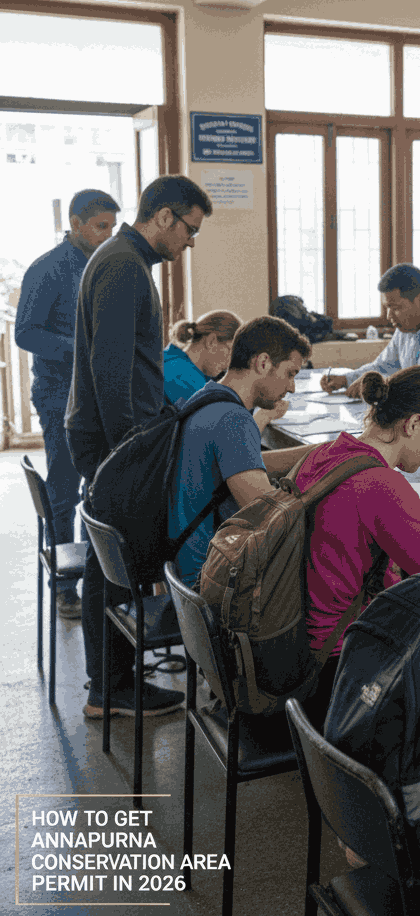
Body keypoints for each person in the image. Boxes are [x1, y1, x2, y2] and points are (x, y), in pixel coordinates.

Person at [66, 174, 212, 719]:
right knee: (114, 562)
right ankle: (110, 688)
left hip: (110, 435)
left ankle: (112, 682)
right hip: (113, 439)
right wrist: (129, 450)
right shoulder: (124, 265)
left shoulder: (122, 259)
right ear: (164, 217)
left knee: (111, 558)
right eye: (189, 229)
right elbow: (110, 368)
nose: (189, 242)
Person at [297, 365, 420, 728]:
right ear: (414, 424)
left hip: (296, 645)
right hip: (337, 668)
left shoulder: (327, 453)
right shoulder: (382, 486)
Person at [14, 188, 120, 618]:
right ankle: (63, 586)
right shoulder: (48, 269)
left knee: (98, 488)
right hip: (59, 395)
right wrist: (80, 347)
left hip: (96, 396)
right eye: (100, 226)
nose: (108, 234)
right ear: (75, 224)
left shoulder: (106, 264)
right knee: (63, 490)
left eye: (112, 227)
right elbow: (25, 333)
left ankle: (96, 578)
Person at [169, 316, 316, 589]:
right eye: (290, 373)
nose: (292, 387)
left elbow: (246, 464)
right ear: (263, 363)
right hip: (209, 580)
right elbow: (269, 518)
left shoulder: (209, 396)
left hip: (182, 567)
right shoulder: (233, 420)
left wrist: (319, 452)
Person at [319, 264, 420, 401]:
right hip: (418, 418)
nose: (389, 316)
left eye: (396, 308)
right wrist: (346, 379)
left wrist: (379, 384)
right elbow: (383, 366)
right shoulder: (406, 328)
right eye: (387, 308)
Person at [164, 310, 288, 432]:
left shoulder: (179, 363)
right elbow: (225, 436)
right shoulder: (180, 374)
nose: (230, 363)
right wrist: (265, 415)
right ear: (211, 341)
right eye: (230, 351)